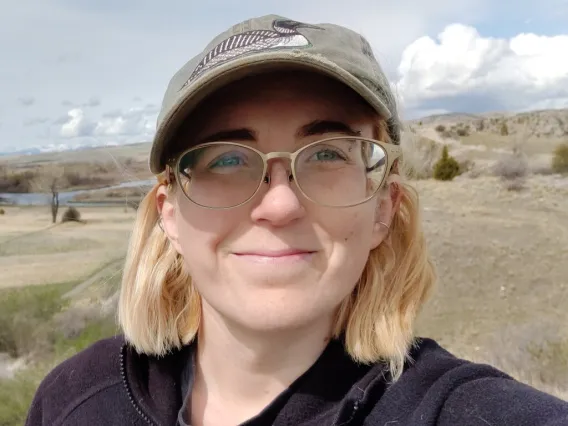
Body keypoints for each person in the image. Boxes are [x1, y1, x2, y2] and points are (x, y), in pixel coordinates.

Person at [26, 14, 568, 426]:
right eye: (228, 160)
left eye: (328, 153)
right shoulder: (75, 400)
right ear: (168, 212)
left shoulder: (459, 410)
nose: (280, 205)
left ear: (383, 206)